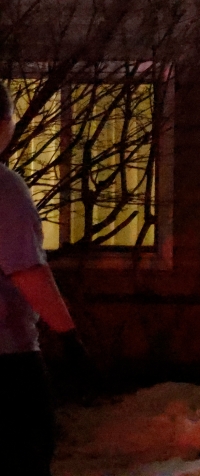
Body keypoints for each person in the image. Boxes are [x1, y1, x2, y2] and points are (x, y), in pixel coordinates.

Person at [0, 81, 91, 476]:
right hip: (7, 358)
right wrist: (70, 340)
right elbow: (27, 271)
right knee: (27, 453)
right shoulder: (4, 189)